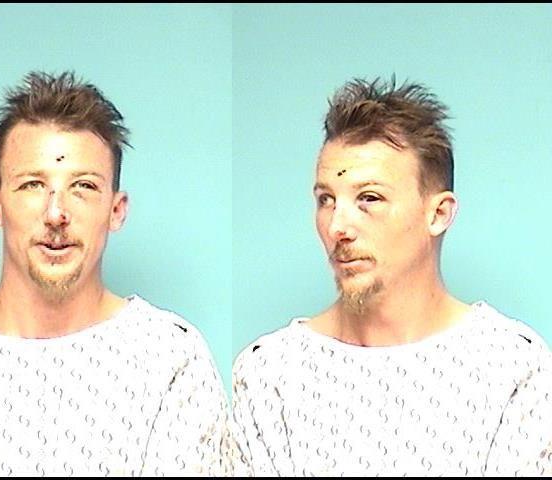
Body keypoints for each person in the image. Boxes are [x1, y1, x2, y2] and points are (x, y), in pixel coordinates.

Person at [0, 71, 229, 476]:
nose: (56, 213)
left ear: (116, 210)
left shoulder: (171, 358)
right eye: (32, 184)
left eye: (83, 186)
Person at [230, 77, 552, 476]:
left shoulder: (512, 366)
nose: (337, 227)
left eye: (369, 198)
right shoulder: (271, 374)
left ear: (438, 214)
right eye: (326, 200)